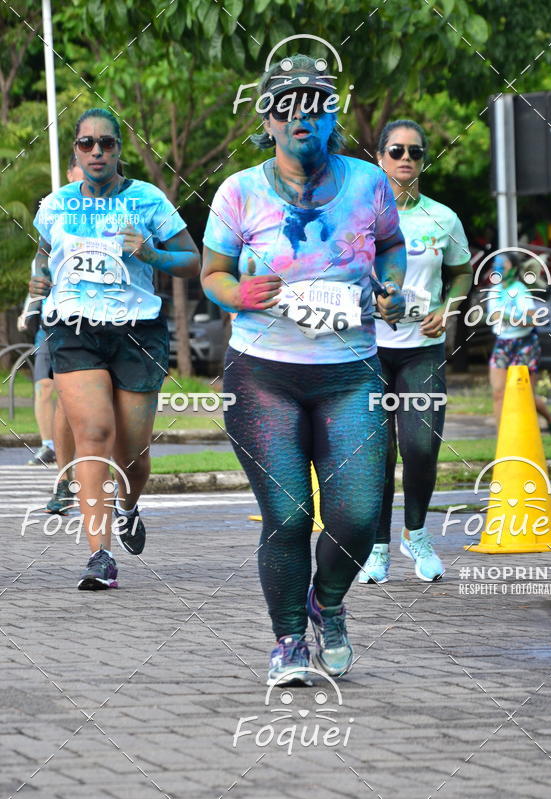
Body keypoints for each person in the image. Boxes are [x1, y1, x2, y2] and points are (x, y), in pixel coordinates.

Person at [202, 55, 406, 685]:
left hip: (350, 373)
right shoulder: (239, 190)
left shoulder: (369, 184)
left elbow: (393, 248)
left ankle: (330, 603)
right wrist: (239, 294)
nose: (300, 117)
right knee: (288, 515)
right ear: (266, 119)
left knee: (356, 515)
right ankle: (289, 638)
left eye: (314, 104)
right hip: (263, 374)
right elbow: (213, 274)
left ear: (331, 116)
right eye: (285, 106)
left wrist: (391, 288)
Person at [30, 107, 200, 590]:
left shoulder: (148, 200)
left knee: (133, 456)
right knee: (95, 434)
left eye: (107, 143)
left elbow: (193, 261)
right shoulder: (56, 205)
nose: (97, 151)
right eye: (87, 144)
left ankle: (128, 506)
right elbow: (44, 256)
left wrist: (151, 253)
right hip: (73, 329)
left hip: (137, 331)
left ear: (120, 149)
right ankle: (99, 555)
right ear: (76, 151)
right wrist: (39, 290)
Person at [360, 119, 473, 585]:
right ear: (380, 158)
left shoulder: (442, 218)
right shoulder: (360, 218)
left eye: (415, 152)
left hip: (422, 350)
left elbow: (464, 274)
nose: (406, 159)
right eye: (396, 151)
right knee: (378, 454)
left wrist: (448, 311)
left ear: (424, 159)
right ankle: (379, 547)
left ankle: (417, 534)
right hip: (367, 350)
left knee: (421, 447)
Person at [18, 155, 82, 475]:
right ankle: (49, 446)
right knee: (46, 386)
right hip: (53, 319)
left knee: (76, 391)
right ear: (70, 171)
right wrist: (31, 307)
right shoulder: (54, 213)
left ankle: (85, 451)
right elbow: (39, 263)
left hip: (94, 321)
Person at [487, 251, 551, 433]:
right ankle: (503, 438)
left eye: (502, 266)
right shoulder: (493, 291)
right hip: (502, 343)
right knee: (499, 393)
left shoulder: (520, 290)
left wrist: (507, 316)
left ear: (513, 269)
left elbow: (532, 319)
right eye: (495, 265)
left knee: (524, 394)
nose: (497, 269)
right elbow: (493, 317)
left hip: (525, 343)